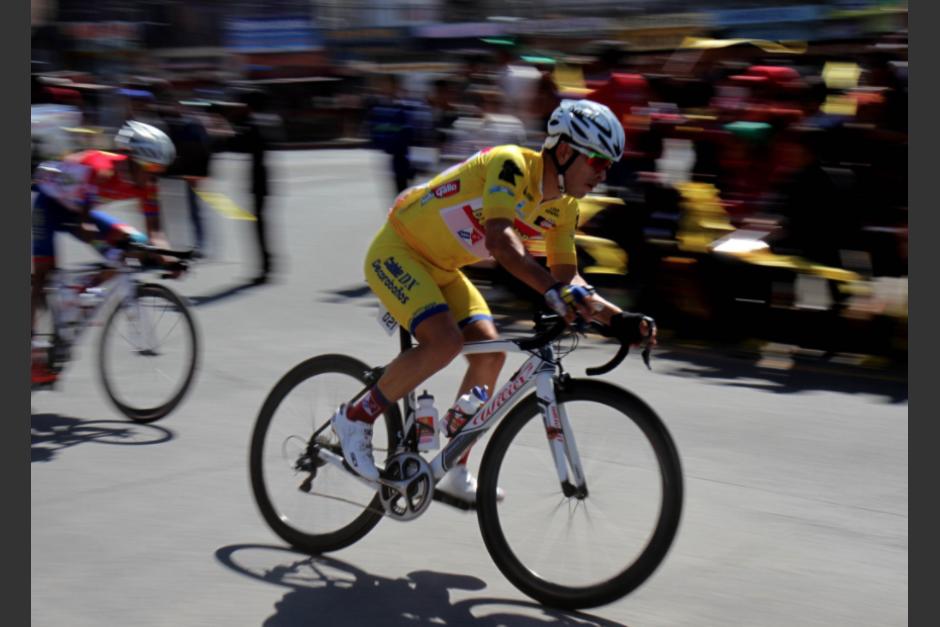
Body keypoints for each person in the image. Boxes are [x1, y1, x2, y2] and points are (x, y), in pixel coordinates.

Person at [331, 99, 656, 503]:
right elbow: (500, 243)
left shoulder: (565, 207)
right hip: (398, 252)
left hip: (443, 269)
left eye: (608, 165)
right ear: (567, 150)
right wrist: (553, 293)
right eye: (597, 161)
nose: (603, 173)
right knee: (445, 342)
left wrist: (619, 320)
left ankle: (454, 466)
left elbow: (568, 277)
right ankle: (355, 417)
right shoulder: (511, 165)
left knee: (490, 352)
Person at [31, 121, 177, 385]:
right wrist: (109, 253)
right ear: (133, 161)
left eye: (160, 170)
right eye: (151, 168)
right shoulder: (101, 171)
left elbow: (155, 233)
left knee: (136, 244)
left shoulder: (147, 183)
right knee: (43, 274)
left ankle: (85, 291)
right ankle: (31, 347)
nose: (154, 176)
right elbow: (84, 226)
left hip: (77, 210)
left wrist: (170, 259)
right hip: (49, 206)